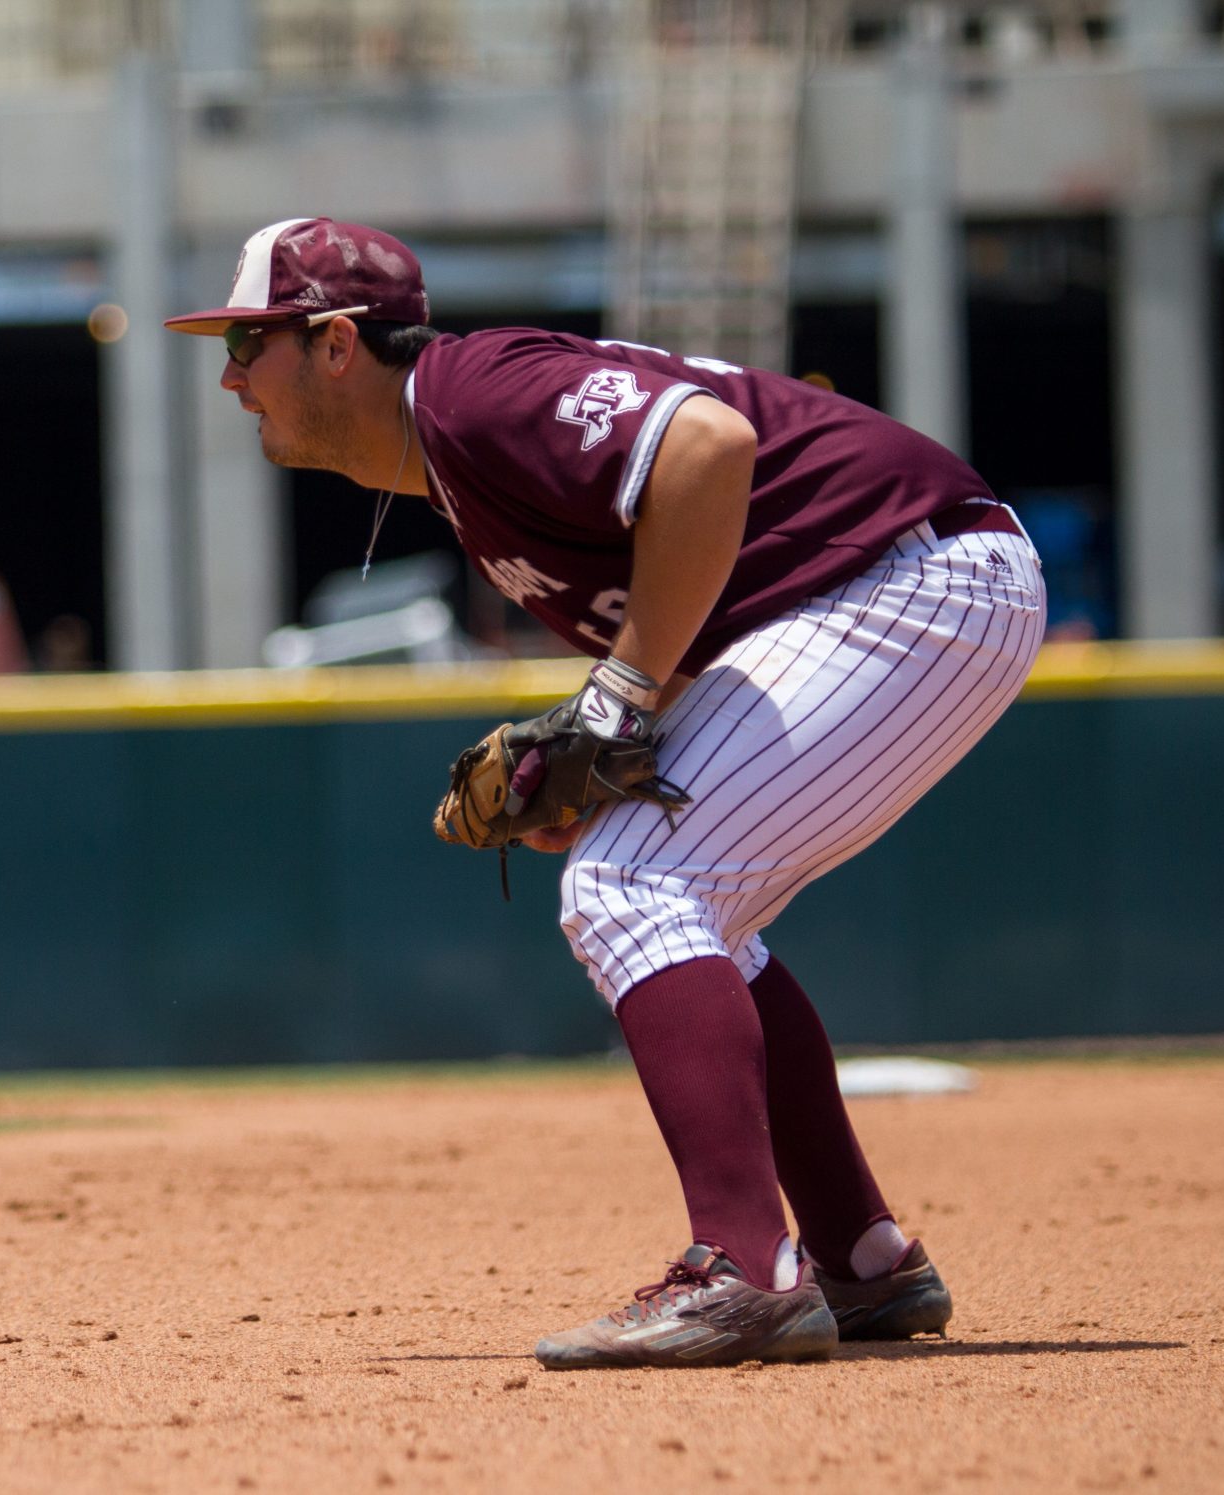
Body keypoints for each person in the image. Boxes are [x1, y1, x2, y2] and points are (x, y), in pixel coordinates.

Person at [168, 218, 1045, 1369]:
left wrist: (618, 701)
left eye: (251, 344)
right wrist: (611, 739)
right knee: (680, 902)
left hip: (910, 578)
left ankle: (745, 1272)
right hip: (872, 589)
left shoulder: (473, 393)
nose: (230, 377)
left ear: (336, 345)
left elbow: (708, 446)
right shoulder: (455, 459)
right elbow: (709, 578)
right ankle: (860, 1259)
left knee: (634, 883)